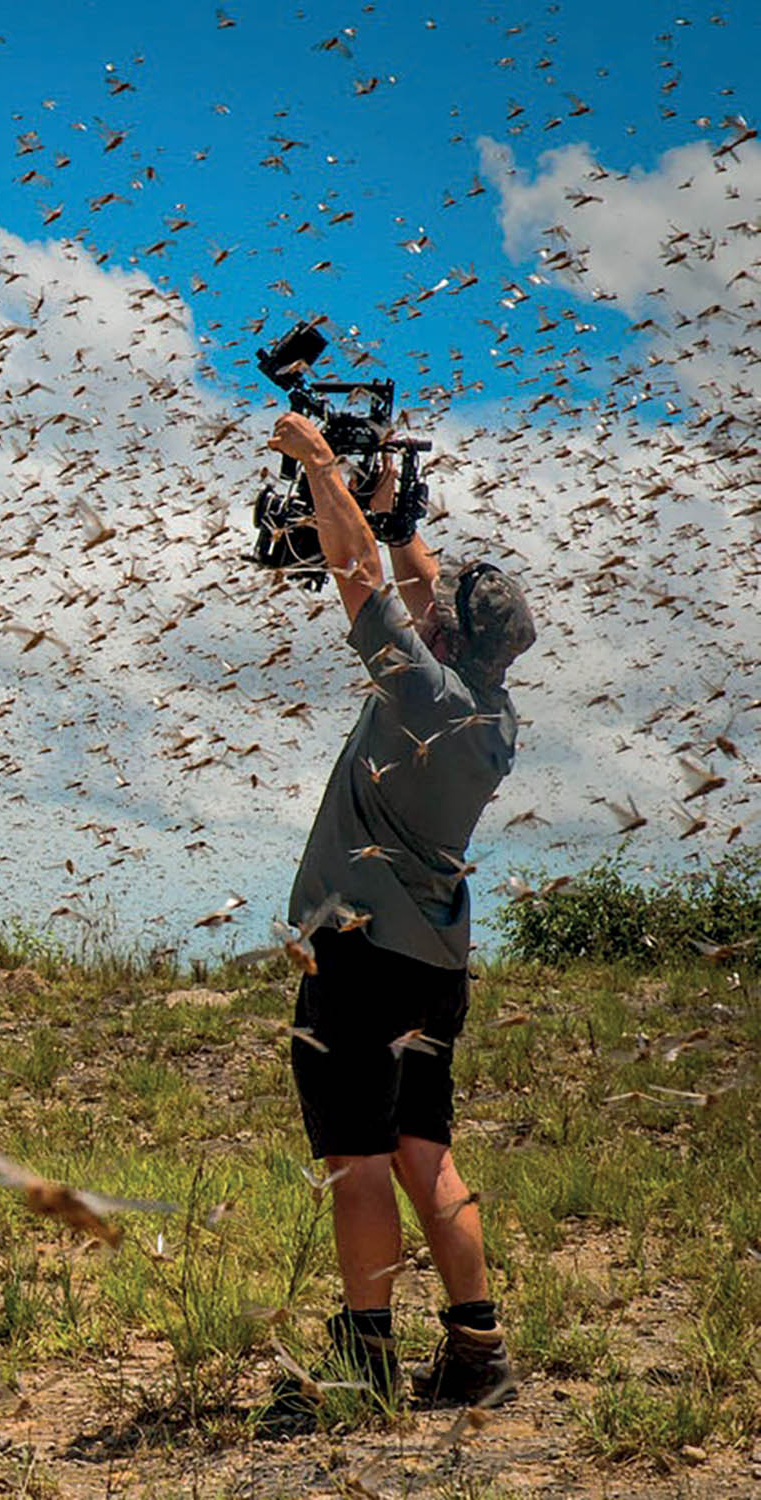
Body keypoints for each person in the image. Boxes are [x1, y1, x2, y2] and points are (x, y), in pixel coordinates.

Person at [259, 410, 536, 1433]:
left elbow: (355, 579)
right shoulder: (489, 710)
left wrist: (322, 468)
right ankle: (476, 1350)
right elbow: (416, 593)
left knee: (359, 1162)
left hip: (359, 961)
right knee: (425, 1150)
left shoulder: (417, 689)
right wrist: (396, 510)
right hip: (434, 967)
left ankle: (364, 1368)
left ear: (446, 638)